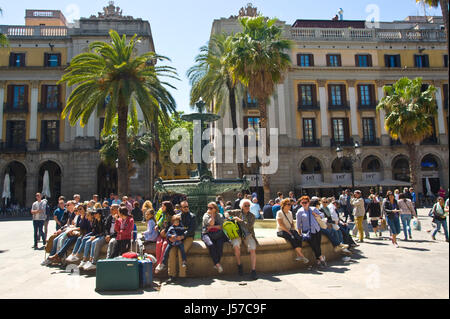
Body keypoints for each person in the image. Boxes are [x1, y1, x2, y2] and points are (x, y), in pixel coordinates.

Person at [226, 199, 258, 280]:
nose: (247, 207)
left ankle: (253, 270)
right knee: (236, 245)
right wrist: (228, 216)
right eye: (245, 206)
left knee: (252, 248)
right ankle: (239, 265)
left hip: (248, 234)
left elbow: (249, 226)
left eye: (248, 206)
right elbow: (227, 212)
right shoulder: (237, 212)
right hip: (237, 234)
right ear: (242, 207)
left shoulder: (252, 216)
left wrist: (240, 221)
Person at [167, 200, 196, 281]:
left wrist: (183, 236)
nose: (186, 208)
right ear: (180, 208)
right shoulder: (177, 216)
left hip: (188, 237)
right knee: (172, 251)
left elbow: (191, 229)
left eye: (187, 206)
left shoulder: (192, 216)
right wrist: (171, 236)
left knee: (180, 251)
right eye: (184, 207)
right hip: (177, 237)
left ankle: (182, 276)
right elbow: (171, 227)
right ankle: (172, 275)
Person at [296, 196, 326, 269]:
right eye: (302, 202)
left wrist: (316, 215)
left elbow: (322, 215)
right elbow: (298, 224)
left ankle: (318, 261)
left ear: (308, 202)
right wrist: (299, 233)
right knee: (314, 245)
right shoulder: (299, 212)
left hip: (317, 229)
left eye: (305, 202)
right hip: (308, 231)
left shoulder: (313, 209)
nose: (304, 204)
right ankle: (321, 258)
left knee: (317, 245)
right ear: (300, 203)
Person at [276, 198, 308, 263]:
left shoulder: (290, 213)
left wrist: (293, 230)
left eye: (290, 204)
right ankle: (301, 255)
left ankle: (299, 255)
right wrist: (289, 233)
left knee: (299, 237)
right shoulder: (279, 213)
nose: (290, 206)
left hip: (290, 230)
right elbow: (281, 225)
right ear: (283, 205)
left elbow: (292, 223)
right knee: (291, 238)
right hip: (281, 231)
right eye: (288, 204)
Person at [202, 202, 226, 273]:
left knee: (220, 245)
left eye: (211, 208)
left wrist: (212, 227)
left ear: (215, 209)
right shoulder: (206, 215)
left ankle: (216, 263)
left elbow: (221, 226)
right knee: (211, 245)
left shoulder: (220, 215)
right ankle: (217, 264)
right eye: (208, 208)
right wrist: (212, 215)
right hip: (207, 234)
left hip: (218, 234)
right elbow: (210, 223)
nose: (209, 209)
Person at [155, 201, 175, 268]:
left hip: (168, 235)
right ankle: (158, 263)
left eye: (163, 206)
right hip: (161, 234)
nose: (161, 207)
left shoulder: (172, 216)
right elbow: (159, 222)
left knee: (164, 245)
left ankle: (161, 263)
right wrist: (157, 226)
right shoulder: (163, 214)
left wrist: (166, 230)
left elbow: (172, 226)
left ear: (167, 207)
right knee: (158, 243)